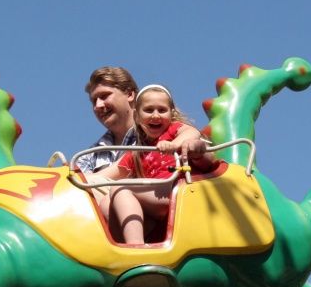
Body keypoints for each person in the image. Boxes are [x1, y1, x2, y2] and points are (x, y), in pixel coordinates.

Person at [95, 84, 216, 245]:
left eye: (162, 110)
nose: (156, 115)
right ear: (137, 116)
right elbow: (106, 174)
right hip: (153, 201)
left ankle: (135, 247)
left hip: (176, 191)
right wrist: (74, 175)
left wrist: (175, 144)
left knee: (121, 188)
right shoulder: (138, 151)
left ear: (171, 113)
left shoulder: (173, 131)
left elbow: (191, 133)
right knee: (106, 201)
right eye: (149, 110)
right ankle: (120, 244)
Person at [74, 66, 139, 173]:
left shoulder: (158, 135)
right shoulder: (89, 156)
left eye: (104, 96)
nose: (98, 105)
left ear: (129, 94)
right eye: (94, 101)